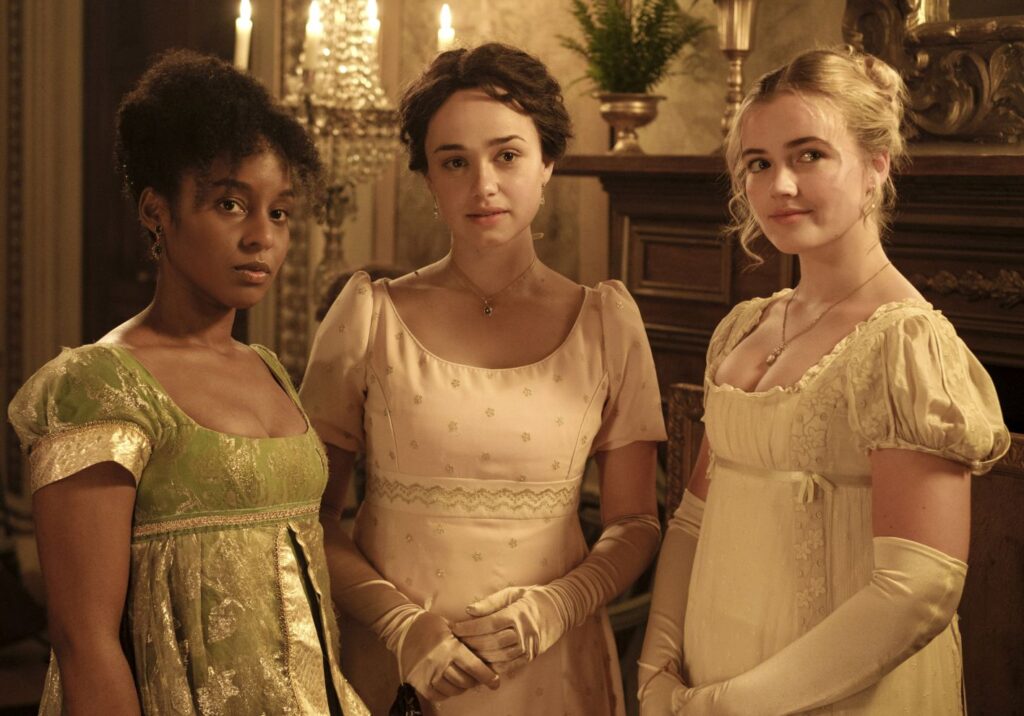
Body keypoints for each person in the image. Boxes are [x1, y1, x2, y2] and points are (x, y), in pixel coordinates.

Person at [638, 47, 1010, 715]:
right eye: (759, 163)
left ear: (876, 165)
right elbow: (691, 522)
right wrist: (656, 669)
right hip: (706, 671)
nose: (779, 185)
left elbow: (918, 590)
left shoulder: (905, 345)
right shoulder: (742, 329)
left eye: (809, 155)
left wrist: (729, 705)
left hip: (836, 694)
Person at [300, 42, 666, 715]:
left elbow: (635, 520)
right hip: (398, 671)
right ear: (427, 179)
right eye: (454, 162)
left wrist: (562, 604)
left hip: (553, 672)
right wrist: (399, 624)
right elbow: (307, 513)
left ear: (547, 162)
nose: (483, 185)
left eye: (507, 155)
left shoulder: (607, 324)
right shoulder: (367, 318)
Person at [8, 50, 367, 715]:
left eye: (280, 213)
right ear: (157, 211)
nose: (262, 237)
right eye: (231, 204)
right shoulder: (97, 385)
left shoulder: (268, 367)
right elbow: (83, 641)